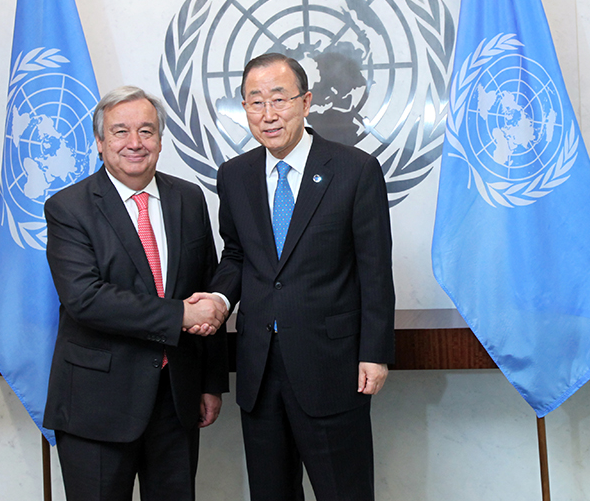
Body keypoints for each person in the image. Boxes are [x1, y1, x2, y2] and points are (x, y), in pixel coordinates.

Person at [199, 53, 395, 500]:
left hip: (333, 366)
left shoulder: (355, 169)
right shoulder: (235, 175)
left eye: (279, 99)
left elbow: (375, 270)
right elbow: (235, 255)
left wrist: (375, 353)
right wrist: (218, 299)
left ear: (306, 102)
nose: (268, 115)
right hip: (259, 367)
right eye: (255, 102)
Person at [42, 86, 229, 501]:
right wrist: (177, 315)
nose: (134, 143)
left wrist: (210, 382)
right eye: (120, 131)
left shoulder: (188, 198)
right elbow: (85, 298)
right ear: (100, 142)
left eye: (146, 131)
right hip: (97, 406)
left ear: (160, 141)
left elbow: (207, 287)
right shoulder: (69, 208)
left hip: (176, 399)